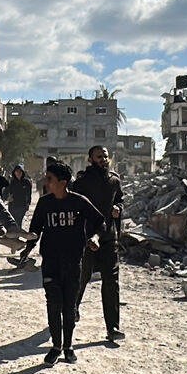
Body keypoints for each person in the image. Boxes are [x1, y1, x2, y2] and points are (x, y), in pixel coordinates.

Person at [28, 160, 104, 365]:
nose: (46, 181)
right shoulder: (44, 203)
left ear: (63, 182)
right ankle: (56, 346)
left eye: (49, 178)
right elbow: (36, 230)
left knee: (69, 306)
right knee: (53, 303)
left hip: (73, 261)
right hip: (50, 261)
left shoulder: (79, 202)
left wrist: (95, 238)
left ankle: (69, 346)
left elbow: (100, 222)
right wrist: (24, 245)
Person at [72, 145, 126, 342]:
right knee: (81, 277)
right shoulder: (82, 182)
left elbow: (120, 199)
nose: (103, 159)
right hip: (86, 237)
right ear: (90, 159)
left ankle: (112, 327)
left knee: (111, 282)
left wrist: (118, 208)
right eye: (98, 156)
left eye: (105, 156)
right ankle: (73, 309)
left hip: (109, 237)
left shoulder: (114, 180)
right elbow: (73, 205)